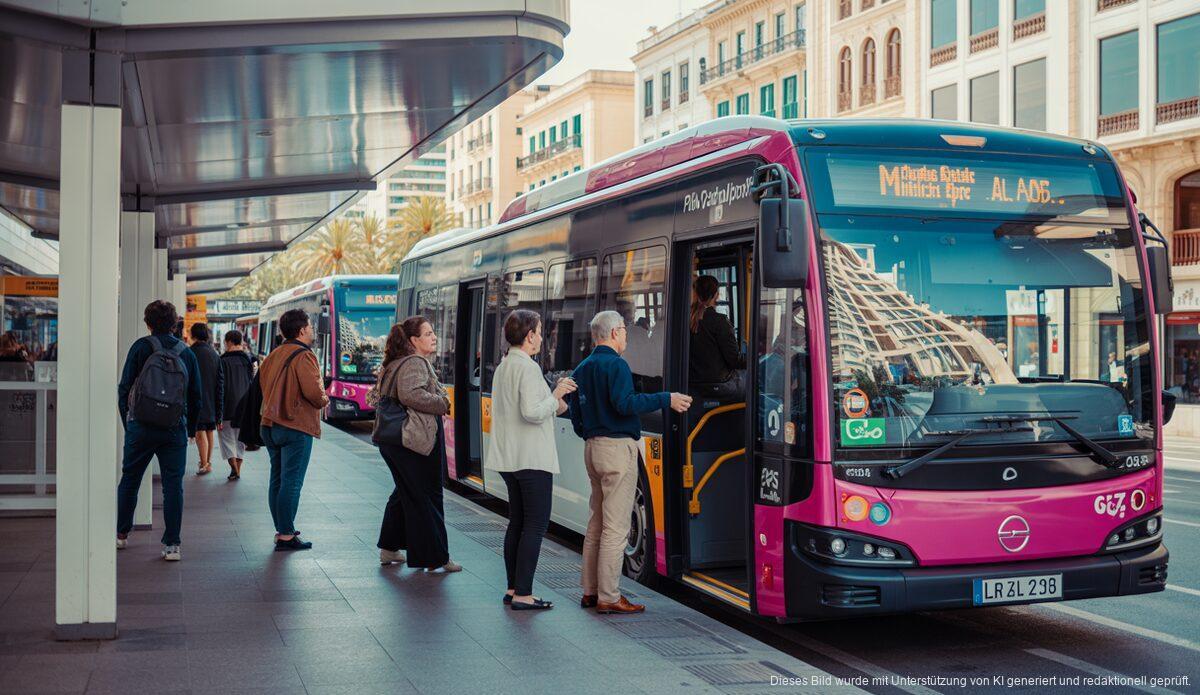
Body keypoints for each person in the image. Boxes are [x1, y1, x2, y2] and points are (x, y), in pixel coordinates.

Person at [568, 310, 692, 614]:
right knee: (616, 527)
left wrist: (590, 433)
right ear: (613, 333)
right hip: (617, 449)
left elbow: (575, 412)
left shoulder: (582, 368)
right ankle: (609, 596)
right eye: (624, 330)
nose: (627, 335)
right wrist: (667, 398)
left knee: (596, 523)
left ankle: (589, 591)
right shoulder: (617, 366)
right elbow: (626, 404)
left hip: (592, 448)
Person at [486, 310, 576, 610]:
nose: (541, 336)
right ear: (529, 336)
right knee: (535, 526)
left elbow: (532, 406)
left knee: (518, 522)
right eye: (539, 330)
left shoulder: (504, 367)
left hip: (510, 458)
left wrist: (553, 399)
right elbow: (531, 411)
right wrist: (557, 393)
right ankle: (524, 593)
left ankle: (513, 588)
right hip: (532, 458)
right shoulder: (527, 368)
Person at [372, 316, 461, 572]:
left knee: (404, 492)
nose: (434, 337)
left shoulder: (397, 362)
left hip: (395, 439)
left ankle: (389, 547)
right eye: (428, 333)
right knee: (427, 496)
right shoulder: (415, 362)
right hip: (413, 440)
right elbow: (411, 394)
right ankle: (435, 558)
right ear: (414, 340)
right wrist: (442, 403)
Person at [115, 300, 203, 561]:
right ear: (175, 322)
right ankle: (172, 545)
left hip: (140, 427)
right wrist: (191, 429)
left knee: (130, 479)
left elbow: (124, 388)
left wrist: (129, 422)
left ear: (148, 323)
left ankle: (121, 534)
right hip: (174, 428)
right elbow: (196, 396)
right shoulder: (186, 353)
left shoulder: (141, 347)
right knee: (173, 486)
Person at [259, 308, 329, 551]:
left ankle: (282, 530)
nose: (312, 330)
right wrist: (324, 399)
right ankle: (287, 534)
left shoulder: (273, 355)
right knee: (292, 481)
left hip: (269, 424)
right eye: (310, 326)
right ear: (301, 330)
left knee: (277, 478)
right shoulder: (304, 356)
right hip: (294, 425)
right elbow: (313, 392)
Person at [688, 275, 745, 396]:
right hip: (719, 385)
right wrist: (755, 358)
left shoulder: (687, 320)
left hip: (692, 384)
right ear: (716, 295)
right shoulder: (719, 321)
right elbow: (734, 361)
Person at [218, 330, 255, 479]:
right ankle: (238, 469)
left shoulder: (222, 360)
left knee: (226, 437)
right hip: (244, 405)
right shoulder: (249, 360)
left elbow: (219, 385)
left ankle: (233, 467)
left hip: (227, 405)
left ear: (229, 342)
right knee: (241, 438)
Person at [188, 323, 223, 475]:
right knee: (209, 429)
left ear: (193, 335)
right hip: (212, 399)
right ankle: (207, 462)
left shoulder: (190, 353)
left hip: (196, 397)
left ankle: (204, 464)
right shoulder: (214, 354)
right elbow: (220, 382)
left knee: (200, 430)